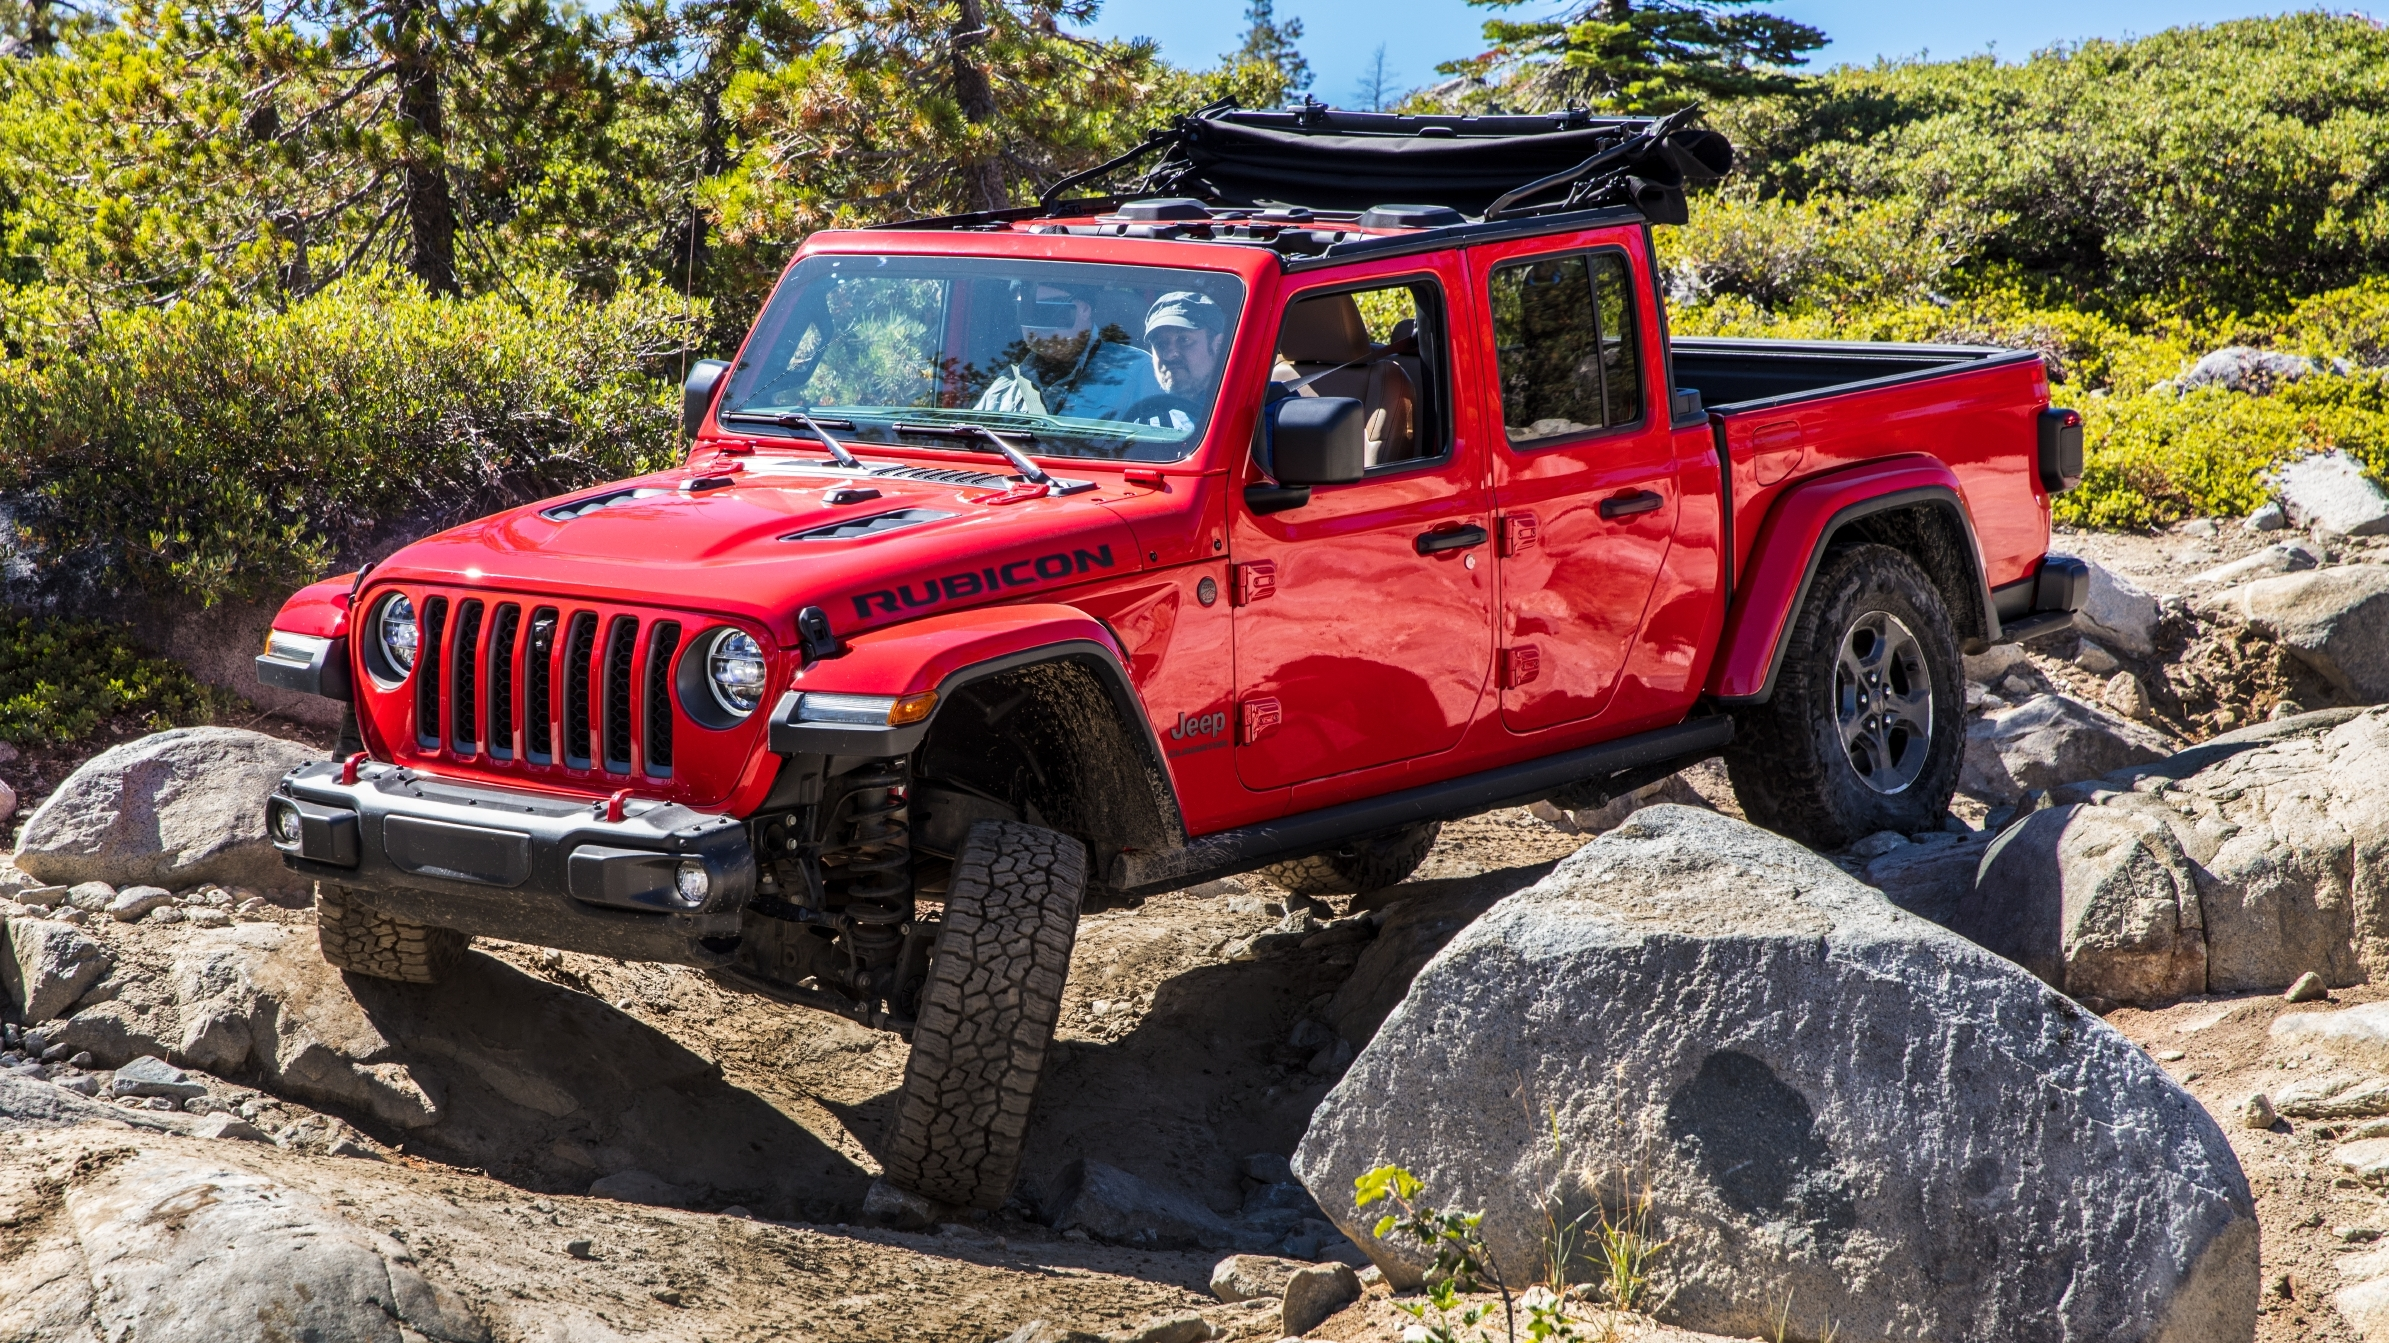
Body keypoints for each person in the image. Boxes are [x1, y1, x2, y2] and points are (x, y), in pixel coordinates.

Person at [975, 282, 1158, 421]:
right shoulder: (1007, 385)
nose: (1035, 326)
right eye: (1025, 311)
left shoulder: (1138, 372)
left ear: (1085, 309)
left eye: (1047, 311)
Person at [1142, 290, 1227, 405]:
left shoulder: (1243, 408)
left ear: (1218, 345)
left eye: (1184, 340)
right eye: (1160, 344)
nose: (1169, 355)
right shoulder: (1139, 415)